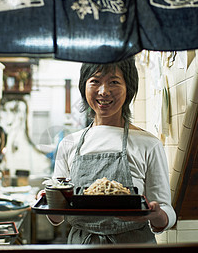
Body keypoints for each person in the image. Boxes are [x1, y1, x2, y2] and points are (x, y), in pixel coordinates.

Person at [45, 56, 176, 244]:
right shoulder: (69, 143)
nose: (104, 91)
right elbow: (58, 217)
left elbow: (166, 212)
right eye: (95, 82)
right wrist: (50, 201)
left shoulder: (148, 144)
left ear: (128, 88)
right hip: (82, 245)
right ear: (84, 87)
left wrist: (154, 214)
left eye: (114, 82)